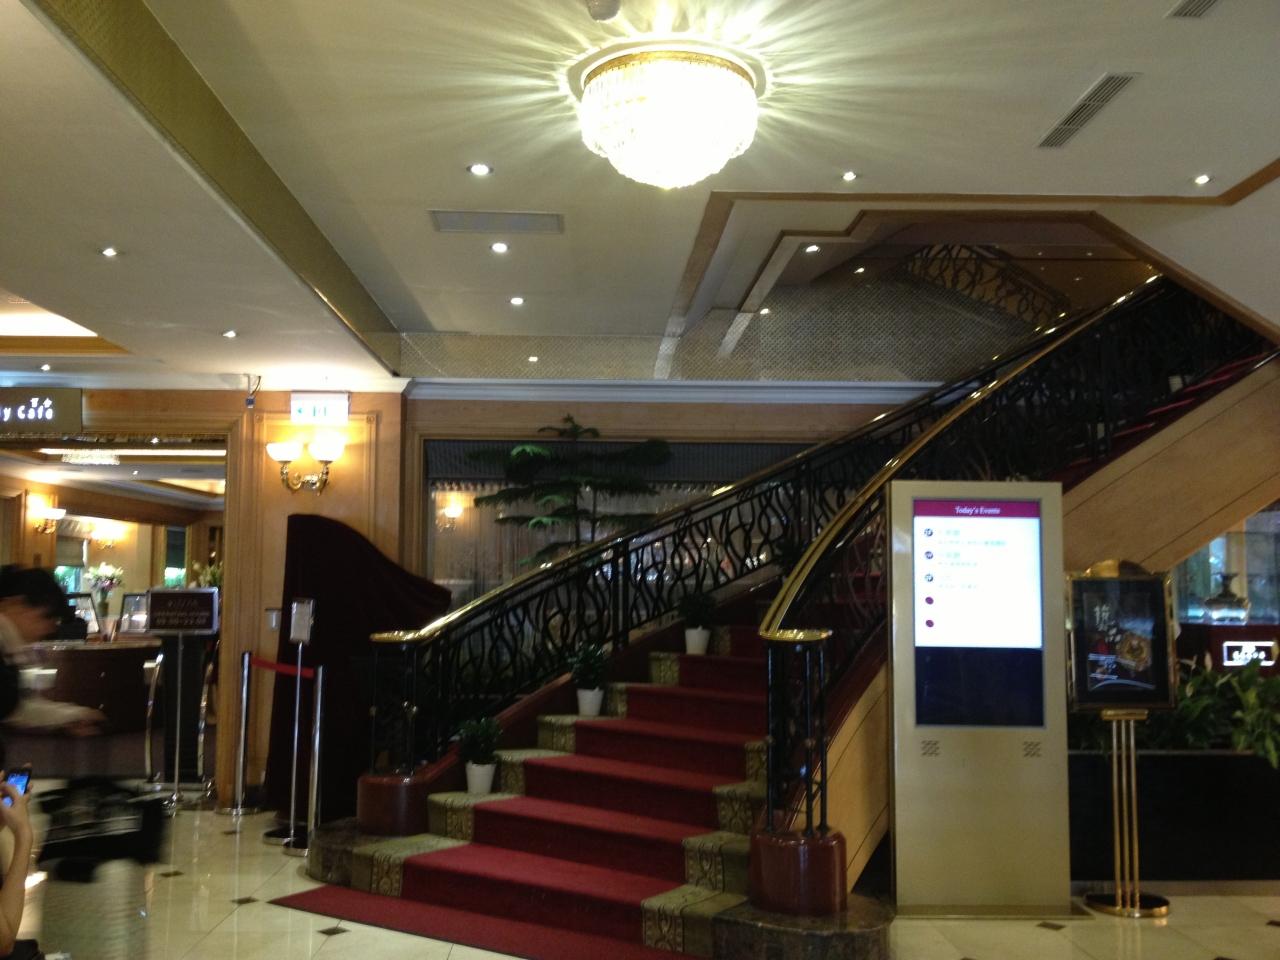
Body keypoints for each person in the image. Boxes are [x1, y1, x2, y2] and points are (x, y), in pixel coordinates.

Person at [0, 568, 102, 733]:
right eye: (45, 616)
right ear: (15, 604)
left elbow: (19, 708)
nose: (48, 628)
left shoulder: (10, 650)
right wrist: (73, 716)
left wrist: (72, 717)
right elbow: (15, 710)